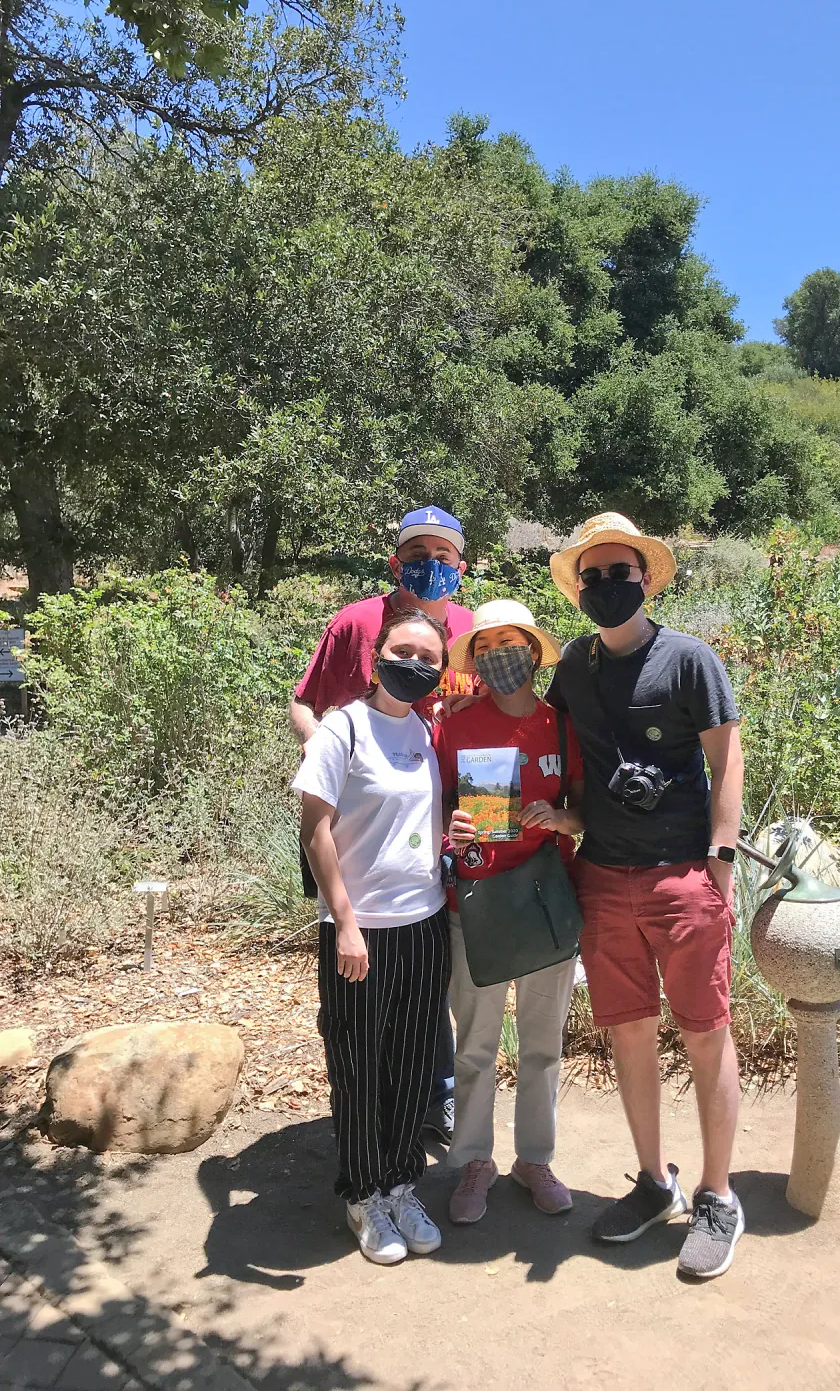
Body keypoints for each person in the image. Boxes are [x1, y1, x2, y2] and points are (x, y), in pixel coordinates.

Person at [546, 512, 745, 1280]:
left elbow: (727, 761)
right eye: (592, 577)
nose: (606, 587)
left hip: (681, 877)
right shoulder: (572, 668)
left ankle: (718, 1194)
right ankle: (653, 1181)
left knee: (705, 1035)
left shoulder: (689, 659)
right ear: (579, 589)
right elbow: (556, 752)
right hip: (603, 874)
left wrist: (720, 863)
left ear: (647, 578)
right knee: (628, 1033)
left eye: (619, 573)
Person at [290, 505, 476, 1144]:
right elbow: (304, 702)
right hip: (362, 824)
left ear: (462, 565)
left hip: (443, 826)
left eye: (444, 556)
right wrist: (333, 760)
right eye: (418, 554)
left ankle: (435, 1099)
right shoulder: (357, 621)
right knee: (362, 980)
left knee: (430, 975)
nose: (432, 566)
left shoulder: (471, 631)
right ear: (395, 562)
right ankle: (367, 1120)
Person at [293, 608, 451, 1266]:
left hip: (426, 922)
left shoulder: (425, 731)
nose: (413, 664)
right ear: (377, 655)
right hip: (361, 933)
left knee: (413, 1062)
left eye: (428, 658)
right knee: (359, 1067)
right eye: (402, 650)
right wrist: (347, 922)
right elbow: (315, 830)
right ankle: (362, 1195)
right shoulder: (343, 729)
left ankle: (400, 1183)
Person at [433, 600, 585, 1225]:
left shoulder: (561, 726)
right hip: (476, 902)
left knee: (543, 1043)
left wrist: (561, 818)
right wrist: (453, 827)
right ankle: (474, 1160)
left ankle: (534, 1158)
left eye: (511, 642)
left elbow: (588, 811)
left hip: (546, 899)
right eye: (487, 645)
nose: (500, 655)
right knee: (474, 1043)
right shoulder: (457, 727)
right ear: (475, 659)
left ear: (533, 648)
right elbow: (432, 812)